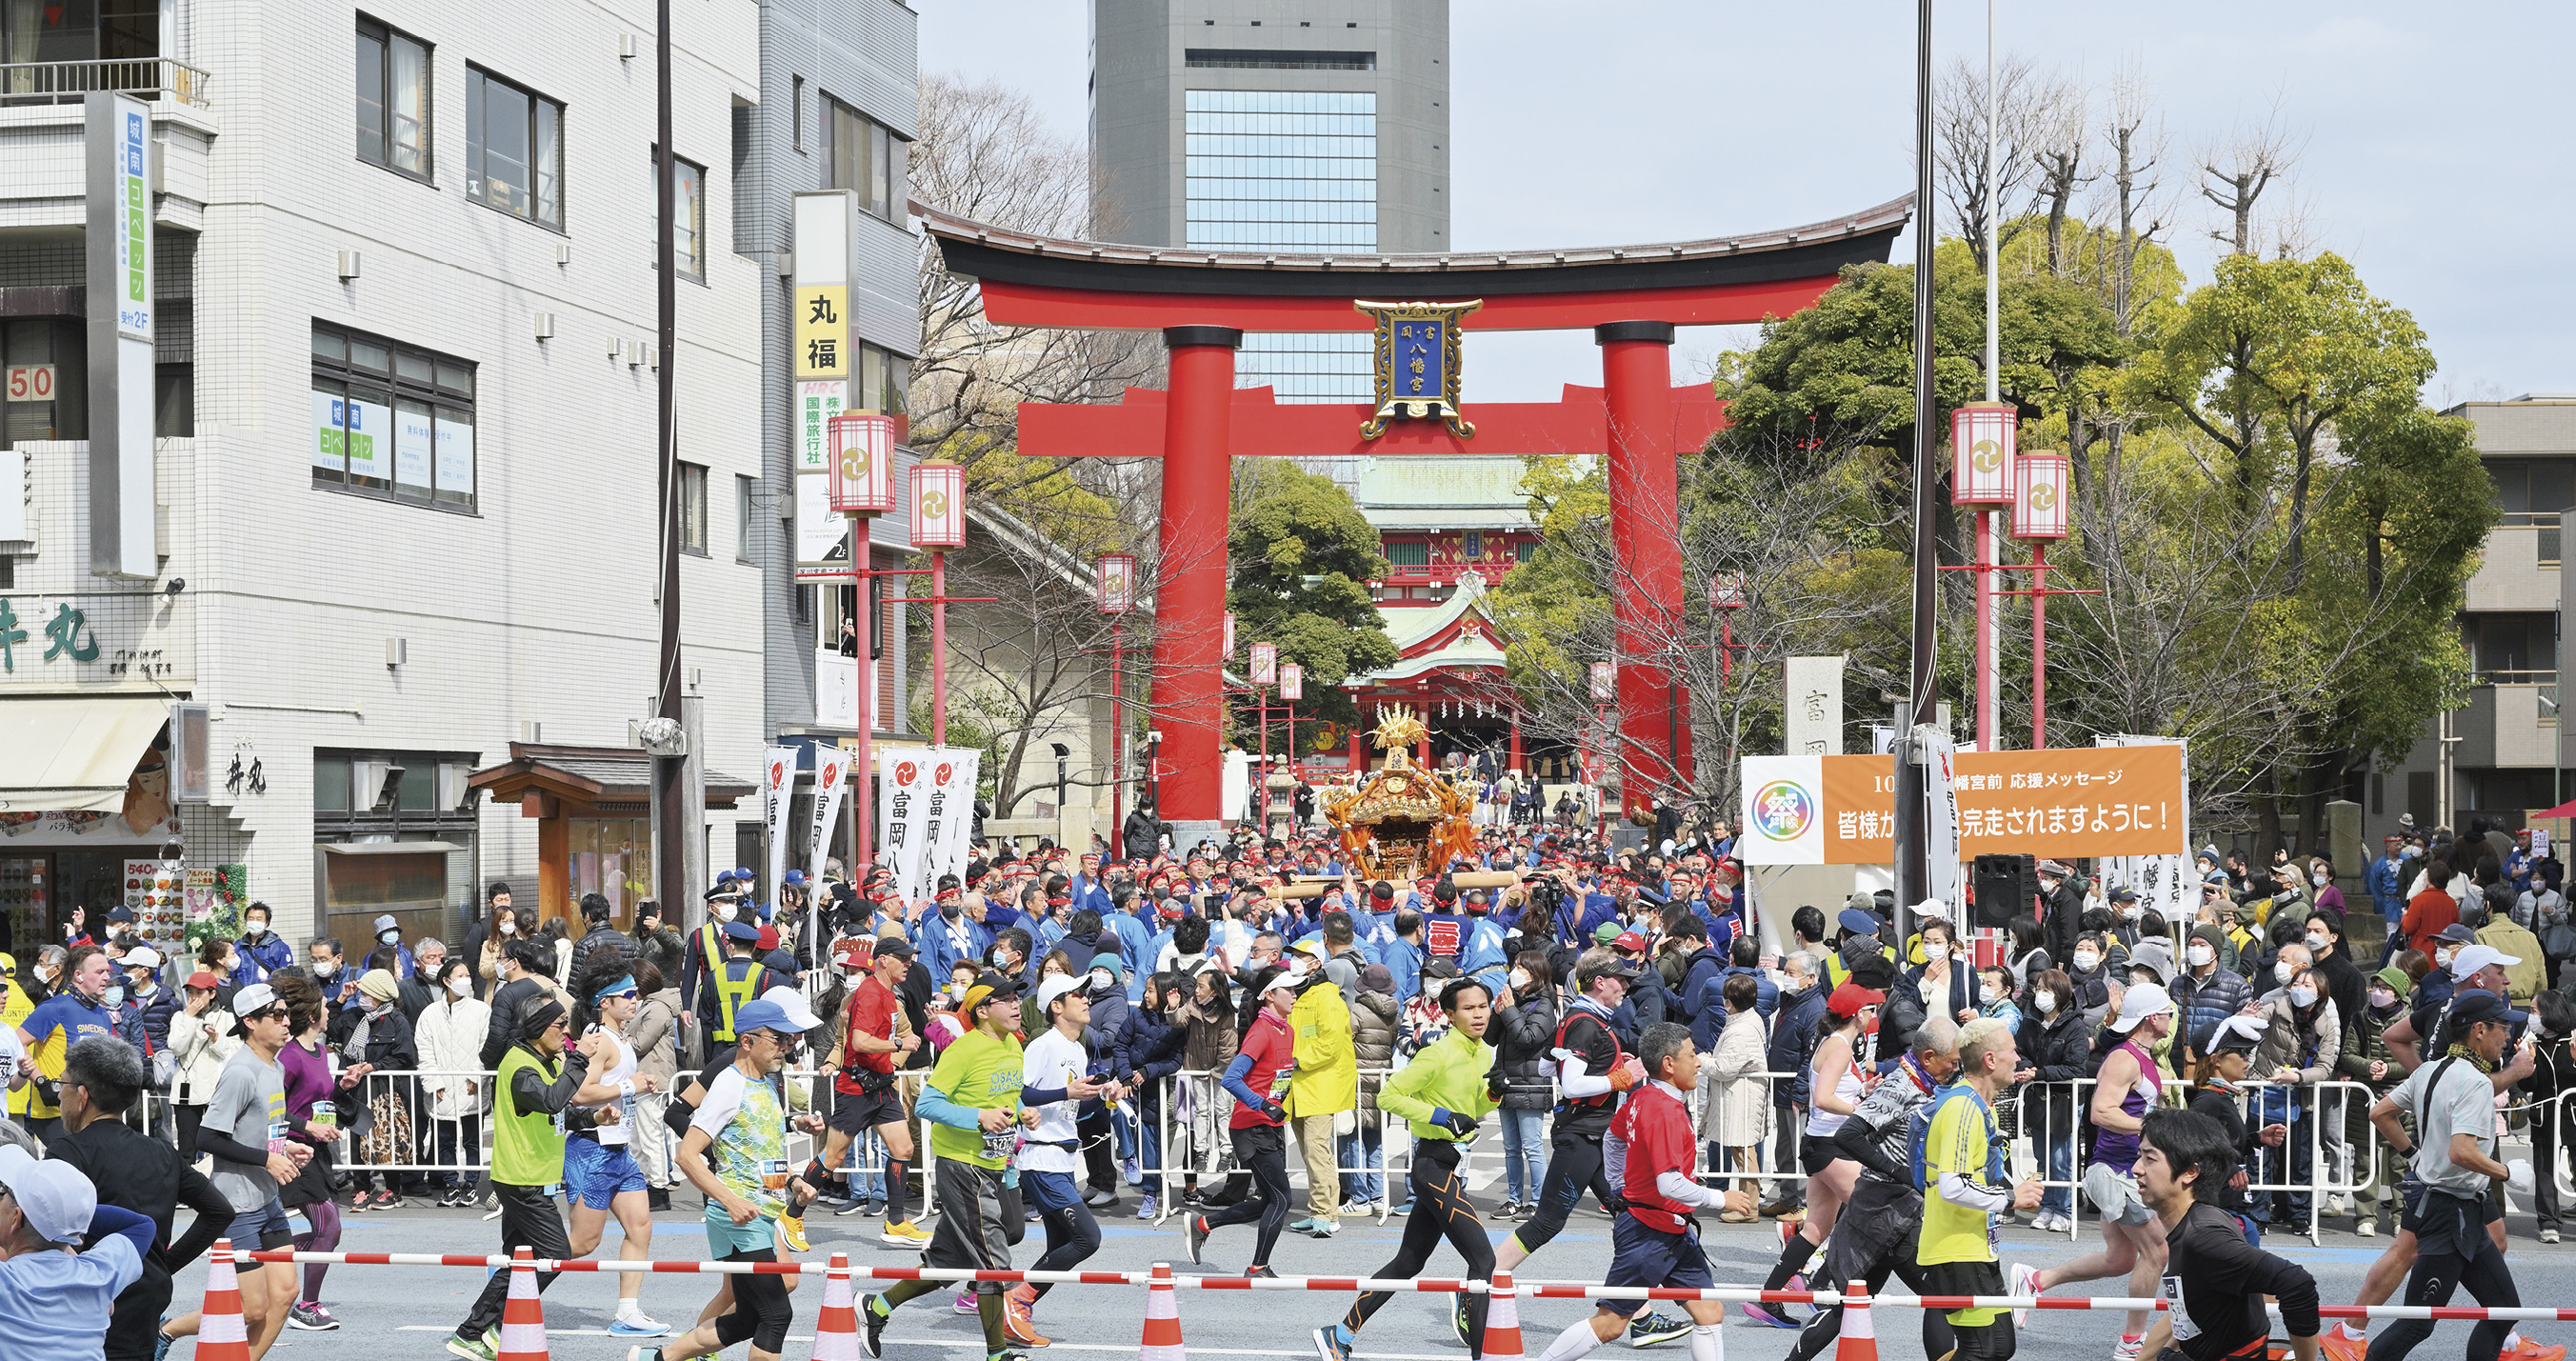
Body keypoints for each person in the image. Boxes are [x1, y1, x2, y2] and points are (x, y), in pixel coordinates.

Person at [1308, 976, 1505, 1361]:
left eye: (1483, 1006)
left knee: (1409, 1262)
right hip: (1432, 1167)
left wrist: (1494, 1093)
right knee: (1484, 1261)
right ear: (1450, 1015)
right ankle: (1485, 1355)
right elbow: (1387, 1095)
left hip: (1453, 1166)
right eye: (1468, 1008)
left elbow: (1475, 1110)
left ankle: (1340, 1336)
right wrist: (1441, 1116)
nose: (1478, 1014)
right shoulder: (1438, 1054)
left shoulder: (1483, 1053)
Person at [1521, 1022, 1735, 1361]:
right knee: (1610, 1325)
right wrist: (1722, 1198)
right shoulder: (1665, 1111)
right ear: (1668, 1064)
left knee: (1709, 1313)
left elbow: (1613, 1137)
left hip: (1670, 1230)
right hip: (1648, 1233)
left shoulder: (1642, 1096)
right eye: (1693, 1054)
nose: (1699, 1062)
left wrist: (1620, 1185)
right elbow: (1670, 1183)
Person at [633, 995, 827, 1361]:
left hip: (759, 1210)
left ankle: (657, 1358)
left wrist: (790, 1182)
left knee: (749, 1316)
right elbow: (686, 1155)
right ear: (748, 1041)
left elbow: (758, 1154)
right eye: (779, 1039)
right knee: (776, 1314)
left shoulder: (765, 1084)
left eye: (790, 1040)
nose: (787, 1048)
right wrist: (731, 1200)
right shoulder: (729, 1083)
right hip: (739, 1212)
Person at [859, 971, 1032, 1361]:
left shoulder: (1014, 1045)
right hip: (961, 1166)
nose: (1017, 1005)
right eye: (1007, 999)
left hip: (993, 1164)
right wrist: (979, 1117)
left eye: (1017, 998)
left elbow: (1008, 1098)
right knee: (993, 1262)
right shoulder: (963, 1050)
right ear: (983, 1011)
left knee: (949, 1260)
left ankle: (876, 1307)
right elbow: (927, 1106)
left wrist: (1025, 1112)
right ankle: (998, 1354)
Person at [1780, 1016, 1963, 1361]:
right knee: (1941, 1296)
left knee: (1852, 1300)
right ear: (1927, 1057)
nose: (1956, 1068)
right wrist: (1900, 1172)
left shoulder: (1924, 1084)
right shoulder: (1899, 1087)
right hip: (1890, 1212)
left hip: (1887, 1212)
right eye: (1952, 1062)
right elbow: (1849, 1134)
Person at [2010, 982, 2176, 1361]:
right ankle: (2132, 1342)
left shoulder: (2139, 1055)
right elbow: (2102, 1112)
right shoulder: (2124, 1059)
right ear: (2152, 1018)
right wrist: (2153, 1125)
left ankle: (2036, 1280)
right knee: (2156, 1251)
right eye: (2167, 1012)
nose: (2171, 1017)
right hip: (2114, 1171)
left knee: (2119, 1260)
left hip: (2124, 1171)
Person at [2362, 990, 2527, 1361]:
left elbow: (2380, 1114)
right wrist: (2506, 1172)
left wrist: (2413, 1153)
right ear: (2480, 1030)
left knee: (2503, 1311)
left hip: (2459, 1208)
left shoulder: (2428, 1070)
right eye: (2503, 1027)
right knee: (2418, 1322)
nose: (2508, 1036)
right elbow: (2461, 1151)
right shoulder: (2476, 1082)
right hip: (2448, 1214)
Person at [45, 1036, 230, 1361]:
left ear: (83, 1095)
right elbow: (219, 1211)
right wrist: (164, 1263)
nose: (59, 1093)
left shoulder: (68, 1151)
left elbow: (47, 1230)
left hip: (87, 1305)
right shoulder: (161, 1152)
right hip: (147, 1299)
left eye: (63, 1084)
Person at [153, 983, 304, 1361]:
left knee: (285, 1295)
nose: (288, 1023)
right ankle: (165, 1330)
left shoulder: (277, 1066)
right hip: (238, 1204)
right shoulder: (239, 1071)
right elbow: (209, 1137)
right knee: (253, 1308)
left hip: (268, 1197)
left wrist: (284, 1149)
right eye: (278, 1015)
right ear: (250, 1022)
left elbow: (261, 1132)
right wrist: (266, 1160)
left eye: (288, 1014)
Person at [443, 990, 596, 1361]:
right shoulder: (520, 1066)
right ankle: (475, 1330)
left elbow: (553, 1113)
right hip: (521, 1178)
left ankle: (486, 1329)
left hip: (532, 1174)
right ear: (539, 1027)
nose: (566, 1032)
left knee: (518, 1258)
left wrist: (592, 1118)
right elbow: (549, 1100)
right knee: (553, 1254)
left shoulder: (547, 1060)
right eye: (561, 1024)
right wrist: (580, 1059)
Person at [2131, 1108, 2323, 1361]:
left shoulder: (2204, 1237)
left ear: (2190, 1172)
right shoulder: (2196, 1225)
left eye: (2149, 1159)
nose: (2136, 1168)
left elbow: (2296, 1283)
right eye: (2138, 1156)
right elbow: (2191, 1305)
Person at [1919, 1015, 2044, 1361]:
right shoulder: (1962, 1107)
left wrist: (2012, 1191)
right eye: (2013, 1051)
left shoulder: (1978, 1106)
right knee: (1980, 1350)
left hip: (1975, 1246)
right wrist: (2011, 1197)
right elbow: (1952, 1186)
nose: (2018, 1058)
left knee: (2000, 1347)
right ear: (1990, 1060)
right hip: (1956, 1249)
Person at [794, 938, 930, 1250]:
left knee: (903, 1147)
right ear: (882, 960)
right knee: (833, 1156)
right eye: (903, 959)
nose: (908, 963)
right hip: (856, 1088)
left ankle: (895, 1221)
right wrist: (899, 1045)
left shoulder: (886, 994)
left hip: (881, 1085)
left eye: (911, 958)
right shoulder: (869, 994)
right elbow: (859, 1042)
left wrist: (898, 1051)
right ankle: (792, 1214)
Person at [1755, 980, 1882, 1311]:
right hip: (1830, 1144)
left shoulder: (1834, 1042)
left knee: (1817, 1227)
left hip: (1821, 1142)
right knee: (1872, 1213)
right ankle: (1825, 1283)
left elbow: (1830, 1092)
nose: (1874, 1014)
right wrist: (1859, 1110)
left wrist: (1862, 1089)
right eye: (1871, 1008)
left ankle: (1770, 1296)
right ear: (1857, 1015)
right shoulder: (1839, 1046)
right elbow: (1823, 1098)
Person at [1002, 972, 1112, 1348]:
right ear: (1056, 1006)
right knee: (1088, 1239)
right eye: (1077, 994)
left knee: (1058, 1250)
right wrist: (1068, 1089)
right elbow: (1021, 1092)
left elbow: (1074, 1107)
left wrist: (1104, 1096)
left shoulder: (1078, 1050)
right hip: (1041, 1160)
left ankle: (1015, 1315)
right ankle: (1016, 1299)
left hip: (1064, 1160)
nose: (1086, 999)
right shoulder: (1043, 1045)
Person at [565, 952, 671, 1339]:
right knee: (583, 1243)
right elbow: (579, 1093)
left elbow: (613, 1088)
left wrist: (636, 1082)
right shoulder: (598, 1040)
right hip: (591, 1149)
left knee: (640, 1226)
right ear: (604, 1002)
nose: (634, 999)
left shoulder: (621, 1038)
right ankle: (515, 1269)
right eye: (626, 994)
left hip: (618, 1149)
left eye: (635, 993)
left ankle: (628, 1312)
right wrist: (631, 1086)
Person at [1183, 965, 1300, 1276]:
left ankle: (1204, 1223)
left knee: (1268, 1201)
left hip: (1271, 1125)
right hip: (1251, 1125)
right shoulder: (1261, 1031)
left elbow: (1274, 1074)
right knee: (1282, 1199)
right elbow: (1231, 1079)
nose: (1294, 994)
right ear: (1270, 995)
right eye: (1288, 989)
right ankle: (1258, 1266)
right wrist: (1263, 1103)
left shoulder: (1285, 1029)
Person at [0, 1137, 157, 1360]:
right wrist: (66, 1215)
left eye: (2, 1194)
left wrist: (55, 1216)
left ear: (16, 1218)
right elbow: (141, 1226)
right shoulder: (98, 1275)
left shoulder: (6, 1281)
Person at [1284, 940, 1357, 1238]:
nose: (1295, 961)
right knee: (1311, 1153)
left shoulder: (1327, 998)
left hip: (1320, 1084)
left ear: (1315, 962)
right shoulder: (1302, 995)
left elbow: (1328, 1043)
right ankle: (1319, 1211)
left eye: (1300, 956)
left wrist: (1298, 1061)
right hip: (1302, 1085)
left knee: (1317, 1152)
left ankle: (1327, 1214)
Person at [14, 944, 120, 1141]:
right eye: (99, 972)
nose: (106, 977)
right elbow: (16, 1043)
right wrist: (39, 1080)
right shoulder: (54, 1008)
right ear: (78, 976)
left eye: (108, 971)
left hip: (89, 1110)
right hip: (53, 1110)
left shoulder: (102, 1014)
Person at [417, 955, 492, 1209]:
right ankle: (450, 1184)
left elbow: (486, 1046)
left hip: (471, 1086)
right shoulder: (429, 1014)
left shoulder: (481, 1010)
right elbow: (424, 1051)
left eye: (467, 975)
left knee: (472, 1140)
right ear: (447, 981)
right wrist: (433, 1082)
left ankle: (471, 1184)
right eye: (460, 976)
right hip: (443, 1089)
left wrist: (475, 1076)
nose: (466, 980)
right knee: (444, 1139)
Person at [169, 969, 239, 1167]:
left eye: (199, 993)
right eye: (190, 992)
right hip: (187, 1090)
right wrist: (190, 1019)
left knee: (218, 1146)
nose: (193, 998)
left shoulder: (227, 1018)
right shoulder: (179, 1017)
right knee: (186, 1148)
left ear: (212, 993)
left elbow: (234, 1053)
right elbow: (176, 1047)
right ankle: (186, 1192)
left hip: (217, 1091)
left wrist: (216, 1038)